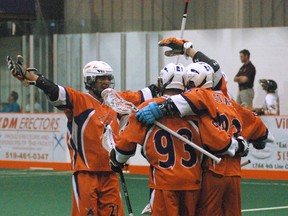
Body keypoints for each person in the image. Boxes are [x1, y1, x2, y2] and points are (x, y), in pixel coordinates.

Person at [136, 38, 272, 216]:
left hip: (212, 171)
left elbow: (185, 101)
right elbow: (257, 126)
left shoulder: (202, 97)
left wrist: (159, 108)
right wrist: (260, 138)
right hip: (234, 174)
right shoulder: (231, 102)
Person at [7, 55, 156, 216]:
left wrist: (168, 80)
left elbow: (148, 93)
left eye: (108, 77)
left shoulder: (118, 99)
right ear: (90, 80)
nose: (106, 81)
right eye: (101, 78)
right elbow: (55, 90)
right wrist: (34, 78)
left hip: (111, 173)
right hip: (85, 173)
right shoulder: (78, 100)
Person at [110, 62, 247, 216]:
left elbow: (125, 146)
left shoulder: (146, 107)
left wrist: (117, 160)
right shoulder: (199, 112)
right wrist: (238, 145)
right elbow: (217, 140)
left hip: (164, 183)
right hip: (193, 184)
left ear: (163, 82)